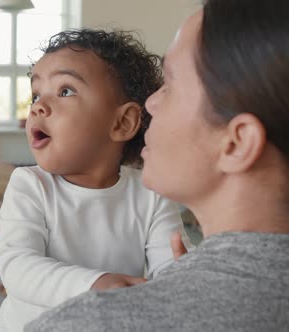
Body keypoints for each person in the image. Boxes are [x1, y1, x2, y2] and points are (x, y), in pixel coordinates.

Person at [26, 0, 289, 331]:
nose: (151, 102)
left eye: (170, 84)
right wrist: (184, 279)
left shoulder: (88, 324)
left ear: (236, 143)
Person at [0, 29, 190, 331]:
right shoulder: (29, 185)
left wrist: (182, 277)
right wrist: (95, 284)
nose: (38, 106)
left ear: (122, 122)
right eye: (36, 94)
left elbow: (171, 267)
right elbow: (18, 268)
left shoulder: (151, 193)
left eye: (65, 91)